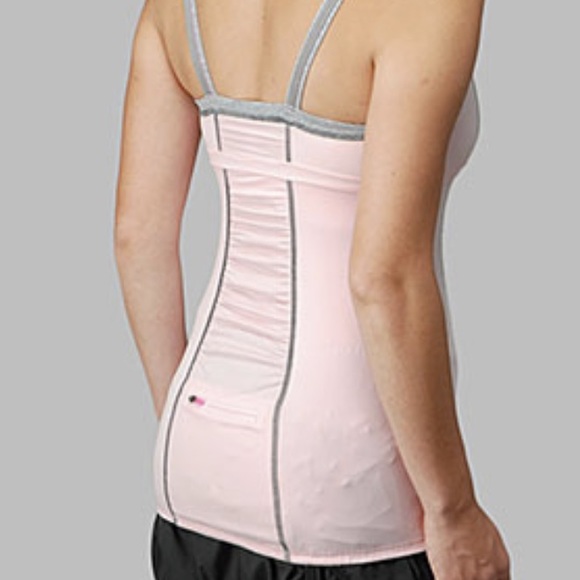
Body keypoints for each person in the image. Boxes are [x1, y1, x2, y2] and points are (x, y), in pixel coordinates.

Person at [114, 0, 512, 578]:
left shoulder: (172, 8)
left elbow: (138, 238)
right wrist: (454, 511)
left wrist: (197, 434)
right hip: (349, 488)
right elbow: (384, 281)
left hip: (194, 468)